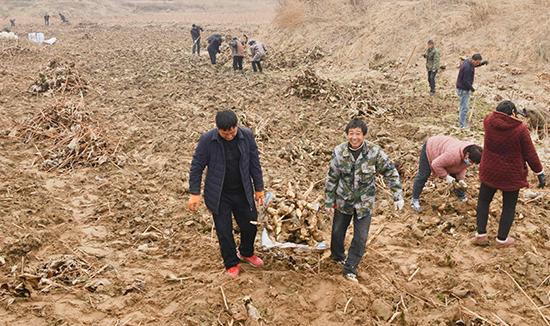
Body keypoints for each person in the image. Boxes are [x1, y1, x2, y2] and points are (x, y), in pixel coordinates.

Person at [325, 118, 404, 283]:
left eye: (358, 134)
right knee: (337, 232)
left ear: (364, 135)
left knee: (361, 237)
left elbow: (390, 171)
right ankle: (337, 256)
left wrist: (397, 195)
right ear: (347, 135)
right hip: (343, 201)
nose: (354, 137)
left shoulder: (374, 152)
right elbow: (332, 177)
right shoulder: (339, 151)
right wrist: (329, 200)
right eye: (351, 134)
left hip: (364, 204)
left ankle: (350, 268)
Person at [188, 110, 265, 278]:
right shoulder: (208, 141)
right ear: (218, 130)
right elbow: (196, 167)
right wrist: (195, 192)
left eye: (232, 131)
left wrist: (259, 188)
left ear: (236, 126)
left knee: (250, 224)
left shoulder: (246, 136)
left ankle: (246, 252)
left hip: (242, 190)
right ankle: (231, 262)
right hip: (219, 194)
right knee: (224, 230)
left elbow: (254, 163)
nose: (229, 135)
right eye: (225, 133)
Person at [473, 100, 545, 247]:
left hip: (489, 171)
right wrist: (539, 172)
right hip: (510, 175)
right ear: (512, 113)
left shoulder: (488, 121)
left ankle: (481, 235)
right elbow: (530, 154)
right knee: (508, 207)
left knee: (484, 201)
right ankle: (501, 240)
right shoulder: (520, 130)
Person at [411, 135, 482, 212]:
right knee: (423, 174)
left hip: (446, 149)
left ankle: (461, 197)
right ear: (467, 155)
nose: (471, 164)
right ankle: (414, 200)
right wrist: (446, 176)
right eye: (471, 161)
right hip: (432, 147)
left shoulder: (471, 154)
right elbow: (436, 164)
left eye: (473, 163)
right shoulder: (453, 155)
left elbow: (462, 167)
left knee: (457, 180)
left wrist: (461, 179)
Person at [456, 53, 488, 128]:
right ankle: (462, 125)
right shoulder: (467, 68)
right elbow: (465, 81)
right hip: (463, 89)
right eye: (477, 62)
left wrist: (482, 64)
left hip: (463, 87)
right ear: (474, 60)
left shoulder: (468, 61)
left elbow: (474, 65)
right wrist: (473, 90)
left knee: (463, 106)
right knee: (464, 108)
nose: (477, 64)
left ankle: (462, 122)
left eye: (479, 63)